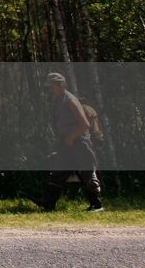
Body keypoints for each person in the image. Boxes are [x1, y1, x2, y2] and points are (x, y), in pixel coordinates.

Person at [31, 72, 104, 212]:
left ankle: (96, 204)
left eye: (51, 86)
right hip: (67, 143)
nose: (49, 89)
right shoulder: (59, 99)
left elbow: (85, 124)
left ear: (60, 85)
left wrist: (71, 137)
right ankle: (48, 203)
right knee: (59, 171)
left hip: (80, 142)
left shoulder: (70, 100)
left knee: (86, 172)